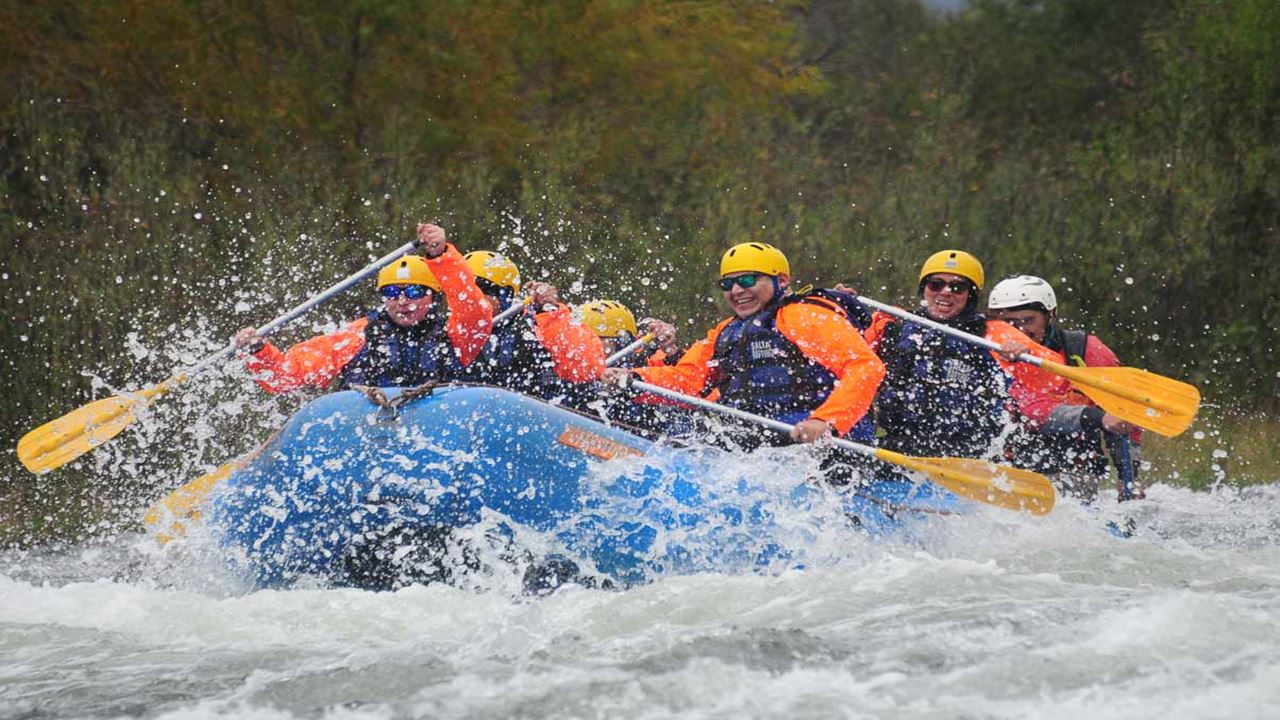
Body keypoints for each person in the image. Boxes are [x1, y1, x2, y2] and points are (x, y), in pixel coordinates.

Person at [603, 241, 884, 448]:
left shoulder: (804, 316)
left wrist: (826, 422)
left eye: (748, 280)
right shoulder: (726, 331)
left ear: (782, 280)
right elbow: (689, 378)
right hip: (758, 441)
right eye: (728, 284)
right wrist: (635, 376)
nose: (737, 291)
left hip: (820, 444)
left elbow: (865, 367)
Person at [234, 223, 492, 392]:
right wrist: (258, 350)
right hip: (371, 431)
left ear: (432, 296)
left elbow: (475, 309)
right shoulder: (357, 336)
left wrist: (439, 257)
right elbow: (286, 376)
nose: (402, 301)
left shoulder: (456, 334)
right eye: (391, 293)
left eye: (414, 292)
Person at [862, 250, 1058, 461]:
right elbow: (845, 348)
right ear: (924, 289)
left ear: (971, 294)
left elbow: (1054, 377)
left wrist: (1025, 352)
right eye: (935, 284)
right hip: (898, 445)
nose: (945, 292)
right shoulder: (894, 324)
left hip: (968, 454)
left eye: (957, 288)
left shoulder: (993, 332)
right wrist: (841, 304)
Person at [987, 275, 1143, 501]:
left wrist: (1129, 479)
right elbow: (1034, 412)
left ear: (1050, 316)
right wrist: (1097, 418)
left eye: (1026, 321)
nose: (1017, 331)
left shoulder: (1086, 351)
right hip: (1009, 469)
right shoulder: (991, 352)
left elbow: (1123, 418)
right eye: (1007, 323)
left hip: (1075, 471)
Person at [458, 250, 605, 402]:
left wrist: (549, 311)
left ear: (504, 296)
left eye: (481, 287)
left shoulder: (532, 327)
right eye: (463, 287)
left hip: (527, 413)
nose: (470, 296)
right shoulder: (445, 330)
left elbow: (587, 366)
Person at [578, 300, 681, 368]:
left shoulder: (641, 368)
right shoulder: (568, 370)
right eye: (583, 339)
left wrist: (672, 351)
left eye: (599, 338)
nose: (588, 345)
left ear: (622, 342)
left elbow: (687, 377)